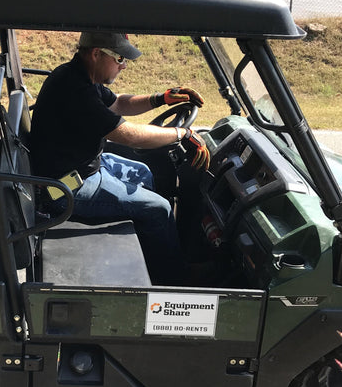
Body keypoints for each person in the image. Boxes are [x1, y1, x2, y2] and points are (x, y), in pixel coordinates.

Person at [28, 31, 210, 284]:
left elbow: (120, 104)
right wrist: (182, 133)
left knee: (143, 173)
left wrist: (161, 99)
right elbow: (129, 136)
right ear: (96, 54)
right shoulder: (76, 90)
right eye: (120, 58)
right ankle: (172, 279)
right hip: (65, 188)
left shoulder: (79, 76)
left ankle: (155, 253)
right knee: (160, 209)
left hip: (82, 168)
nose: (124, 66)